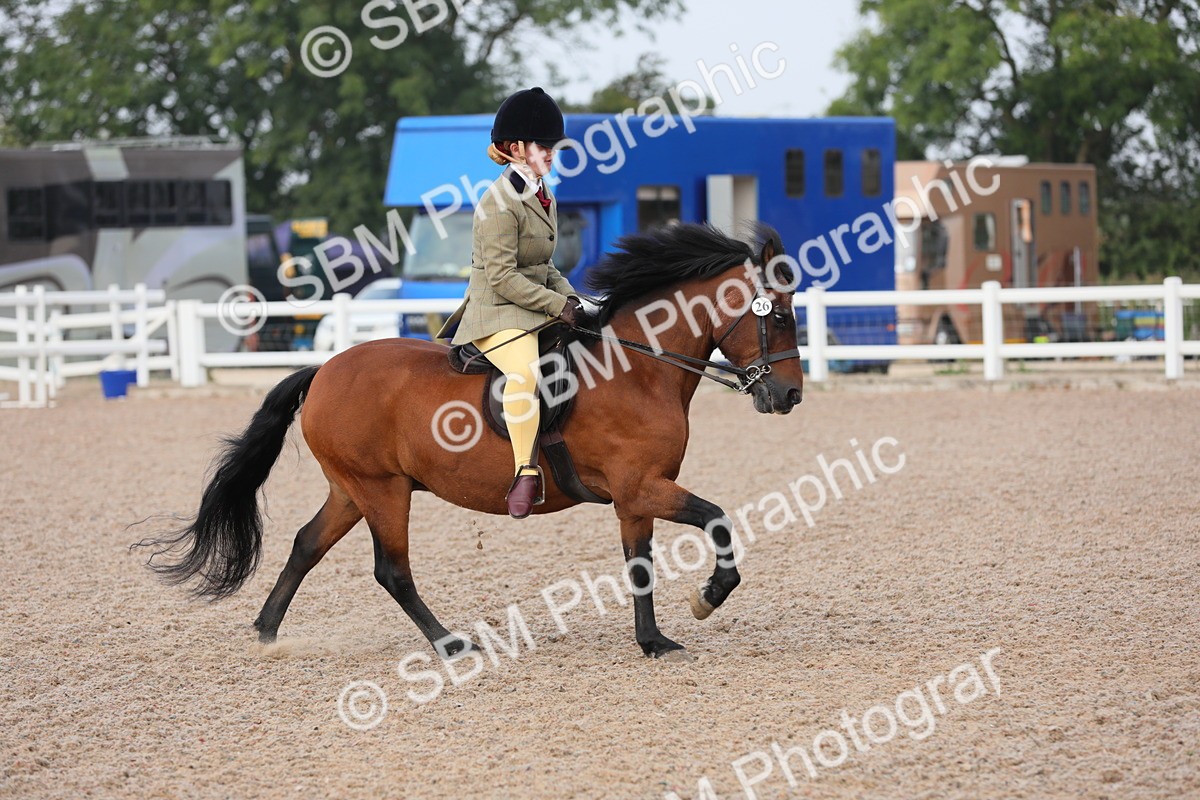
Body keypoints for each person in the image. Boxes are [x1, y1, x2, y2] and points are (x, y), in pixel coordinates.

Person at [436, 87, 583, 519]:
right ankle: (525, 471)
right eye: (542, 146)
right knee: (524, 375)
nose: (550, 154)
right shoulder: (496, 204)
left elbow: (546, 265)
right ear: (515, 149)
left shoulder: (544, 195)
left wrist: (572, 298)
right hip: (496, 311)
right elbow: (501, 277)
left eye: (552, 146)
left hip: (531, 304)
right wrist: (556, 306)